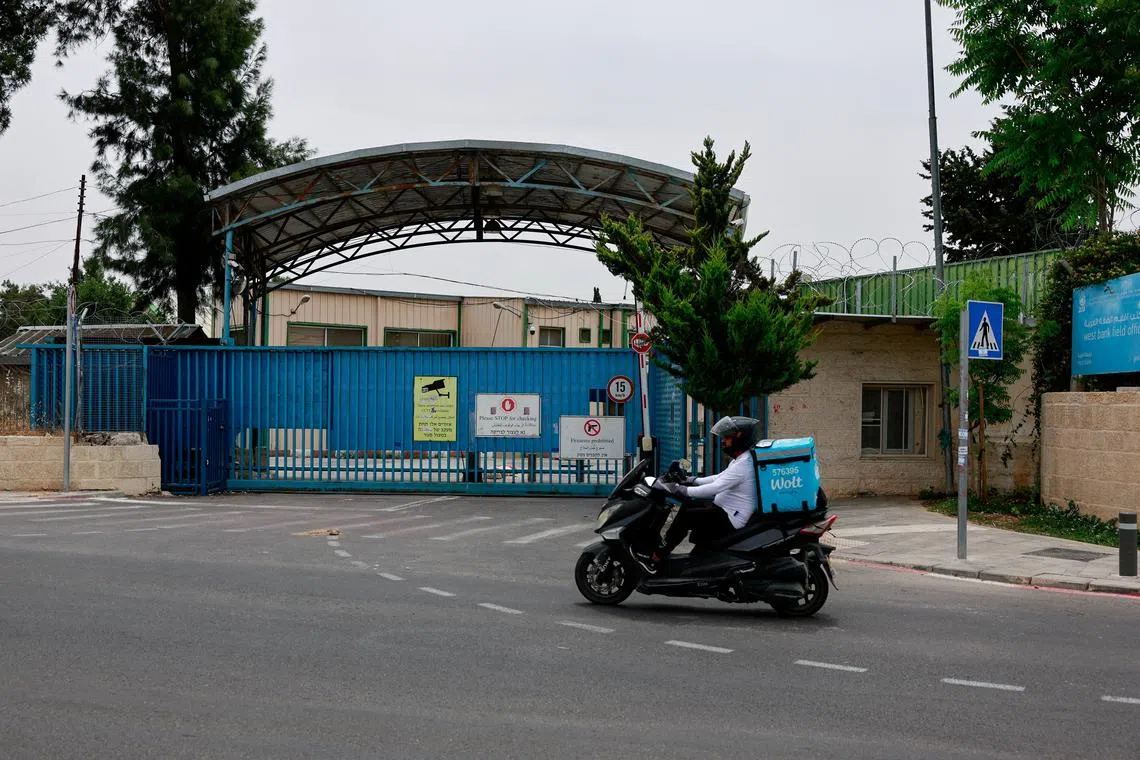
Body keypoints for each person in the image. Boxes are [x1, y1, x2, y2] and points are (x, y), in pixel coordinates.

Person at [630, 415, 762, 574]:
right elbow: (718, 478)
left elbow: (715, 487)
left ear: (740, 439)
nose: (723, 441)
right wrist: (691, 480)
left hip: (731, 519)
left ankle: (657, 557)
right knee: (690, 506)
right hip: (725, 511)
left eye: (727, 438)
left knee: (688, 513)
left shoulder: (743, 465)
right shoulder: (740, 460)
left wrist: (681, 490)